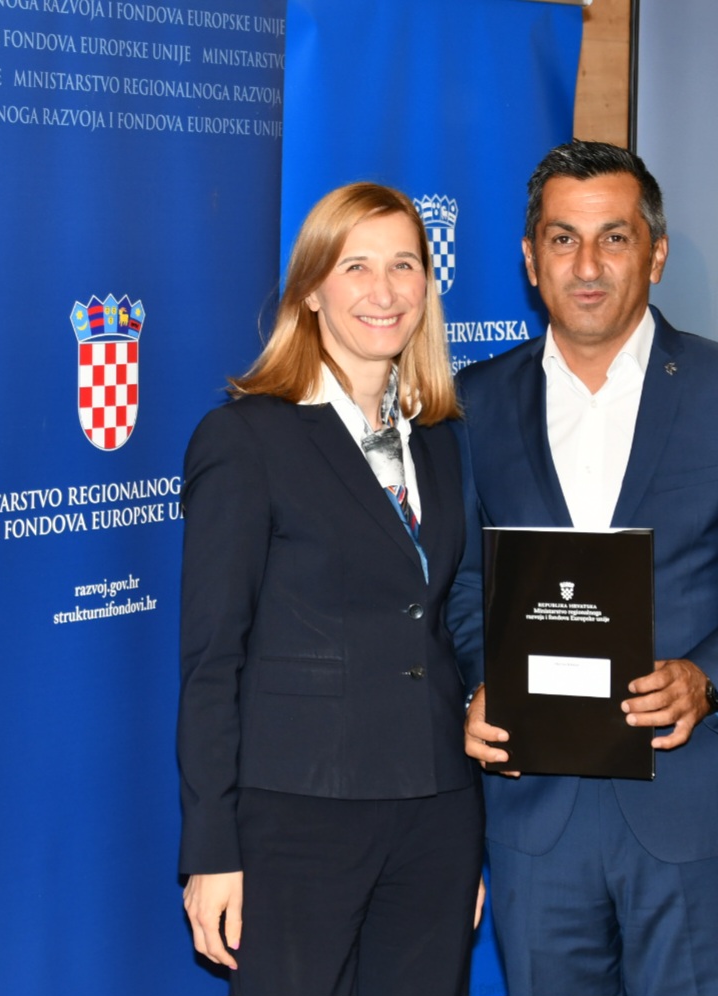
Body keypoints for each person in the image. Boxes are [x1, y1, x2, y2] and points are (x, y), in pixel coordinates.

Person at [447, 140, 718, 995]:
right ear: (529, 259)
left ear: (655, 254)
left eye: (614, 238)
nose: (586, 265)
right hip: (535, 817)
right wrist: (484, 681)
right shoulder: (475, 403)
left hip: (692, 808)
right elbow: (465, 583)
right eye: (562, 239)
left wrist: (707, 677)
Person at [178, 182, 483, 996]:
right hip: (297, 816)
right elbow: (212, 660)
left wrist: (468, 837)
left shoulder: (441, 440)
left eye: (404, 265)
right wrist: (211, 849)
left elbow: (444, 620)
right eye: (356, 267)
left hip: (436, 810)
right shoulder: (245, 438)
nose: (384, 291)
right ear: (311, 289)